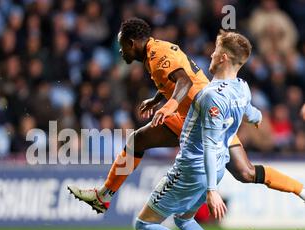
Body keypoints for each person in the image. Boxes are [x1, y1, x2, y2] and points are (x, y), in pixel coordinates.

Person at [68, 18, 305, 213]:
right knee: (244, 172)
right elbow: (173, 81)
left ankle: (299, 189)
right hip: (196, 116)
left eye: (122, 46)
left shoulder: (158, 55)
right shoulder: (154, 53)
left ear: (132, 43)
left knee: (246, 173)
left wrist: (170, 104)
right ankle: (105, 196)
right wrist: (158, 99)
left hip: (209, 116)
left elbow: (183, 80)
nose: (121, 51)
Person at [135, 30, 261, 230]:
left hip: (192, 168)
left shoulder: (210, 96)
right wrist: (258, 116)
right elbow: (250, 113)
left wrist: (212, 192)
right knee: (184, 219)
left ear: (223, 57)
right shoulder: (242, 88)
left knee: (144, 223)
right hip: (216, 168)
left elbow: (209, 142)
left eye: (215, 51)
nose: (211, 55)